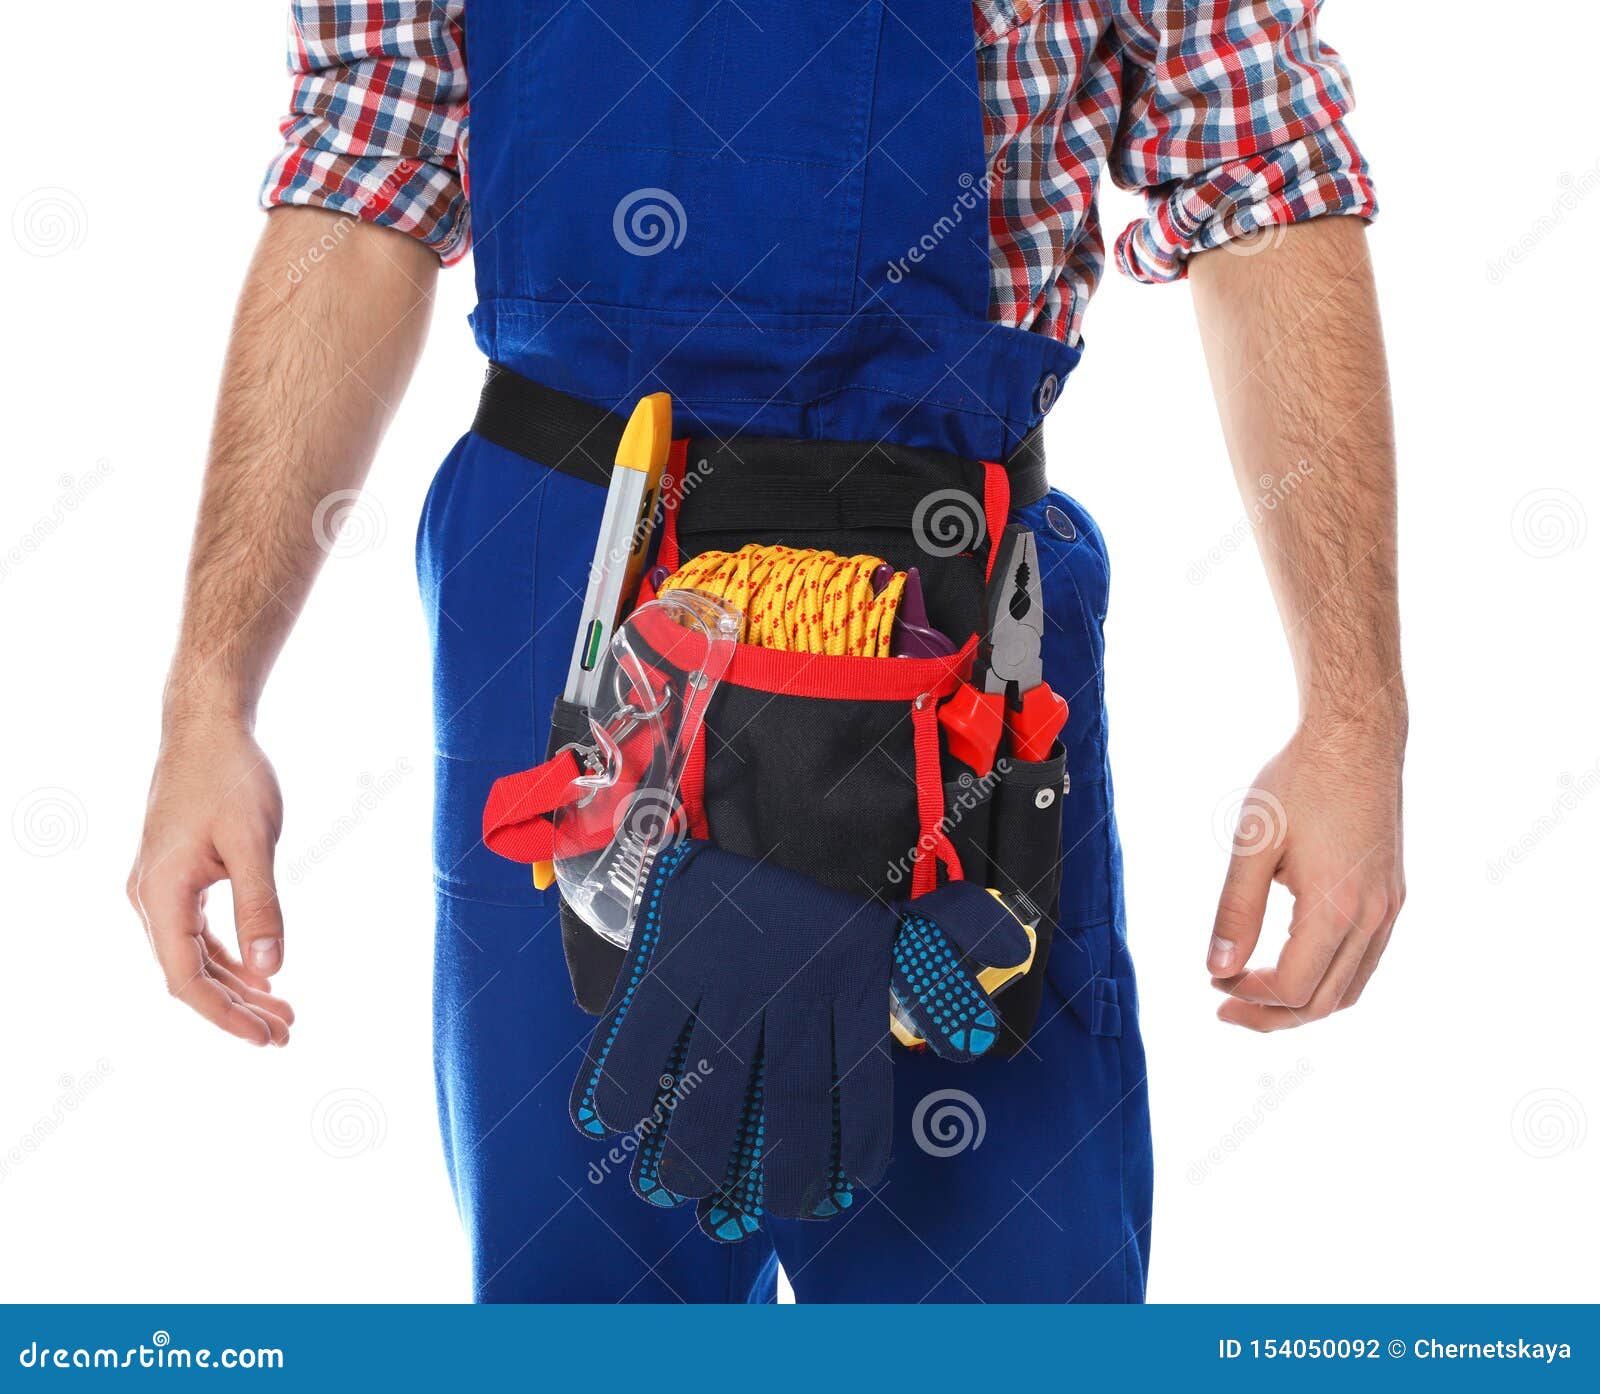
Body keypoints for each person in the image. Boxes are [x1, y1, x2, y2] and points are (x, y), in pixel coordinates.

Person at [126, 0, 1407, 1303]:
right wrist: (210, 694)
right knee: (592, 1316)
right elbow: (363, 166)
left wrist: (1354, 714)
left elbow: (1261, 167)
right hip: (577, 569)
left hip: (944, 600)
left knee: (1002, 1311)